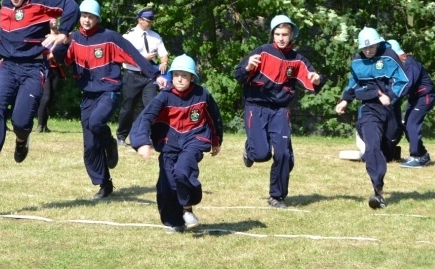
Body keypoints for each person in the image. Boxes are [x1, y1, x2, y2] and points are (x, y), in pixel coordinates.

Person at [0, 0, 79, 182]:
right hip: (7, 66)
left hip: (33, 68)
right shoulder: (5, 5)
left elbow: (71, 5)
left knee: (21, 121)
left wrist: (62, 32)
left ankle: (22, 140)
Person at [62, 0, 167, 199]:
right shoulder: (73, 38)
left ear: (97, 18)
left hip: (108, 90)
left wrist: (155, 74)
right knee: (90, 145)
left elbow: (133, 56)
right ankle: (104, 184)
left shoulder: (109, 37)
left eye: (91, 16)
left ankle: (110, 144)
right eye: (83, 16)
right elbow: (61, 60)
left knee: (96, 122)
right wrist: (59, 41)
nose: (86, 20)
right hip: (88, 94)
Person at [234, 15, 324, 209]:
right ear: (272, 35)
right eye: (277, 34)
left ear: (291, 35)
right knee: (261, 154)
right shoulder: (262, 52)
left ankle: (277, 196)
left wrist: (316, 79)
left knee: (284, 155)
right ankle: (250, 149)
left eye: (285, 34)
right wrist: (248, 67)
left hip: (280, 111)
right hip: (256, 107)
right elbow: (238, 74)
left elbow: (314, 79)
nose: (281, 38)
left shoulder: (298, 60)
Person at [130, 55, 222, 231]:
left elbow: (214, 118)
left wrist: (216, 141)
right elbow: (146, 117)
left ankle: (187, 209)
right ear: (172, 76)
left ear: (192, 77)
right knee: (167, 185)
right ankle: (175, 222)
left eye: (185, 75)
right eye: (177, 74)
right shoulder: (164, 97)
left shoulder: (202, 94)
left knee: (182, 171)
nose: (180, 78)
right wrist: (142, 141)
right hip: (169, 143)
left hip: (194, 140)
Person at [335, 27, 409, 209]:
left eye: (371, 47)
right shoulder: (357, 61)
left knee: (388, 145)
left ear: (378, 43)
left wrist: (389, 96)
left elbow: (402, 80)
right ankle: (378, 191)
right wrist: (345, 100)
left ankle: (388, 153)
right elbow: (353, 83)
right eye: (365, 48)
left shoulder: (389, 56)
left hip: (389, 108)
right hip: (369, 108)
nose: (368, 51)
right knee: (372, 147)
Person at [115, 7, 169, 145]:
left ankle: (147, 135)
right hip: (132, 74)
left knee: (151, 105)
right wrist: (142, 58)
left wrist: (163, 63)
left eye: (152, 20)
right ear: (139, 20)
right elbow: (122, 57)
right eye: (148, 20)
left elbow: (163, 53)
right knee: (128, 107)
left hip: (149, 76)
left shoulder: (155, 36)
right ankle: (121, 136)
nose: (150, 22)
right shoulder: (128, 36)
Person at [386, 40, 435, 168]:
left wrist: (390, 100)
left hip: (424, 96)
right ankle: (423, 154)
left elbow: (406, 86)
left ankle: (416, 157)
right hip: (414, 98)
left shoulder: (409, 64)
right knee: (407, 124)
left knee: (412, 124)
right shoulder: (399, 64)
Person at [36, 20, 65, 133]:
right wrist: (52, 55)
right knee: (46, 97)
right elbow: (37, 55)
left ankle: (45, 125)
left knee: (51, 97)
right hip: (46, 69)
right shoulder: (43, 37)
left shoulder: (62, 37)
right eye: (51, 19)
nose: (54, 21)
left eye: (56, 19)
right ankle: (39, 125)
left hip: (56, 69)